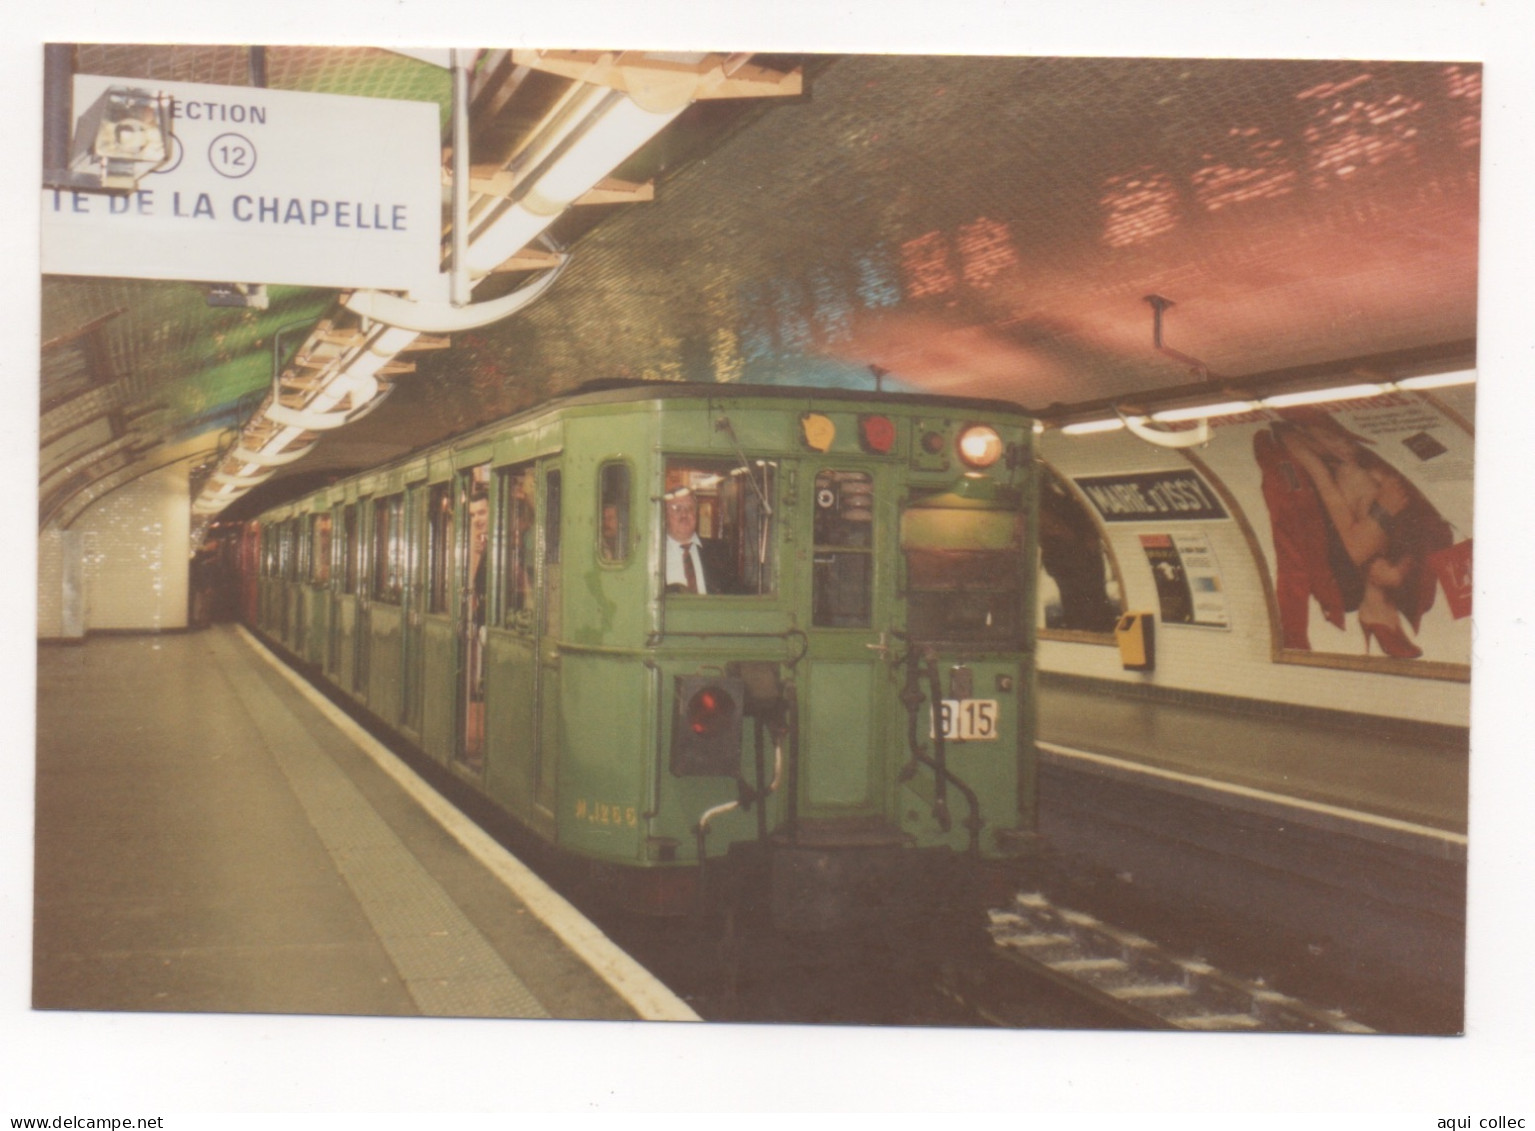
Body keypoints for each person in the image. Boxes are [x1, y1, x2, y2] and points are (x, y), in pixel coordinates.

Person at [1256, 412, 1451, 658]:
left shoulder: (1338, 458)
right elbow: (1293, 562)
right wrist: (1383, 510)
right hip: (1340, 574)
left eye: (1347, 438)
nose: (1345, 445)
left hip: (1368, 558)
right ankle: (1376, 607)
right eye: (1331, 437)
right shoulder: (1286, 468)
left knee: (1364, 478)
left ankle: (1377, 605)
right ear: (1301, 435)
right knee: (1357, 478)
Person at [663, 488, 732, 594]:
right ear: (665, 515)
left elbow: (734, 594)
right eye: (677, 509)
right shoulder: (655, 553)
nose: (684, 514)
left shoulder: (719, 551)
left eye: (690, 508)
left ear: (696, 514)